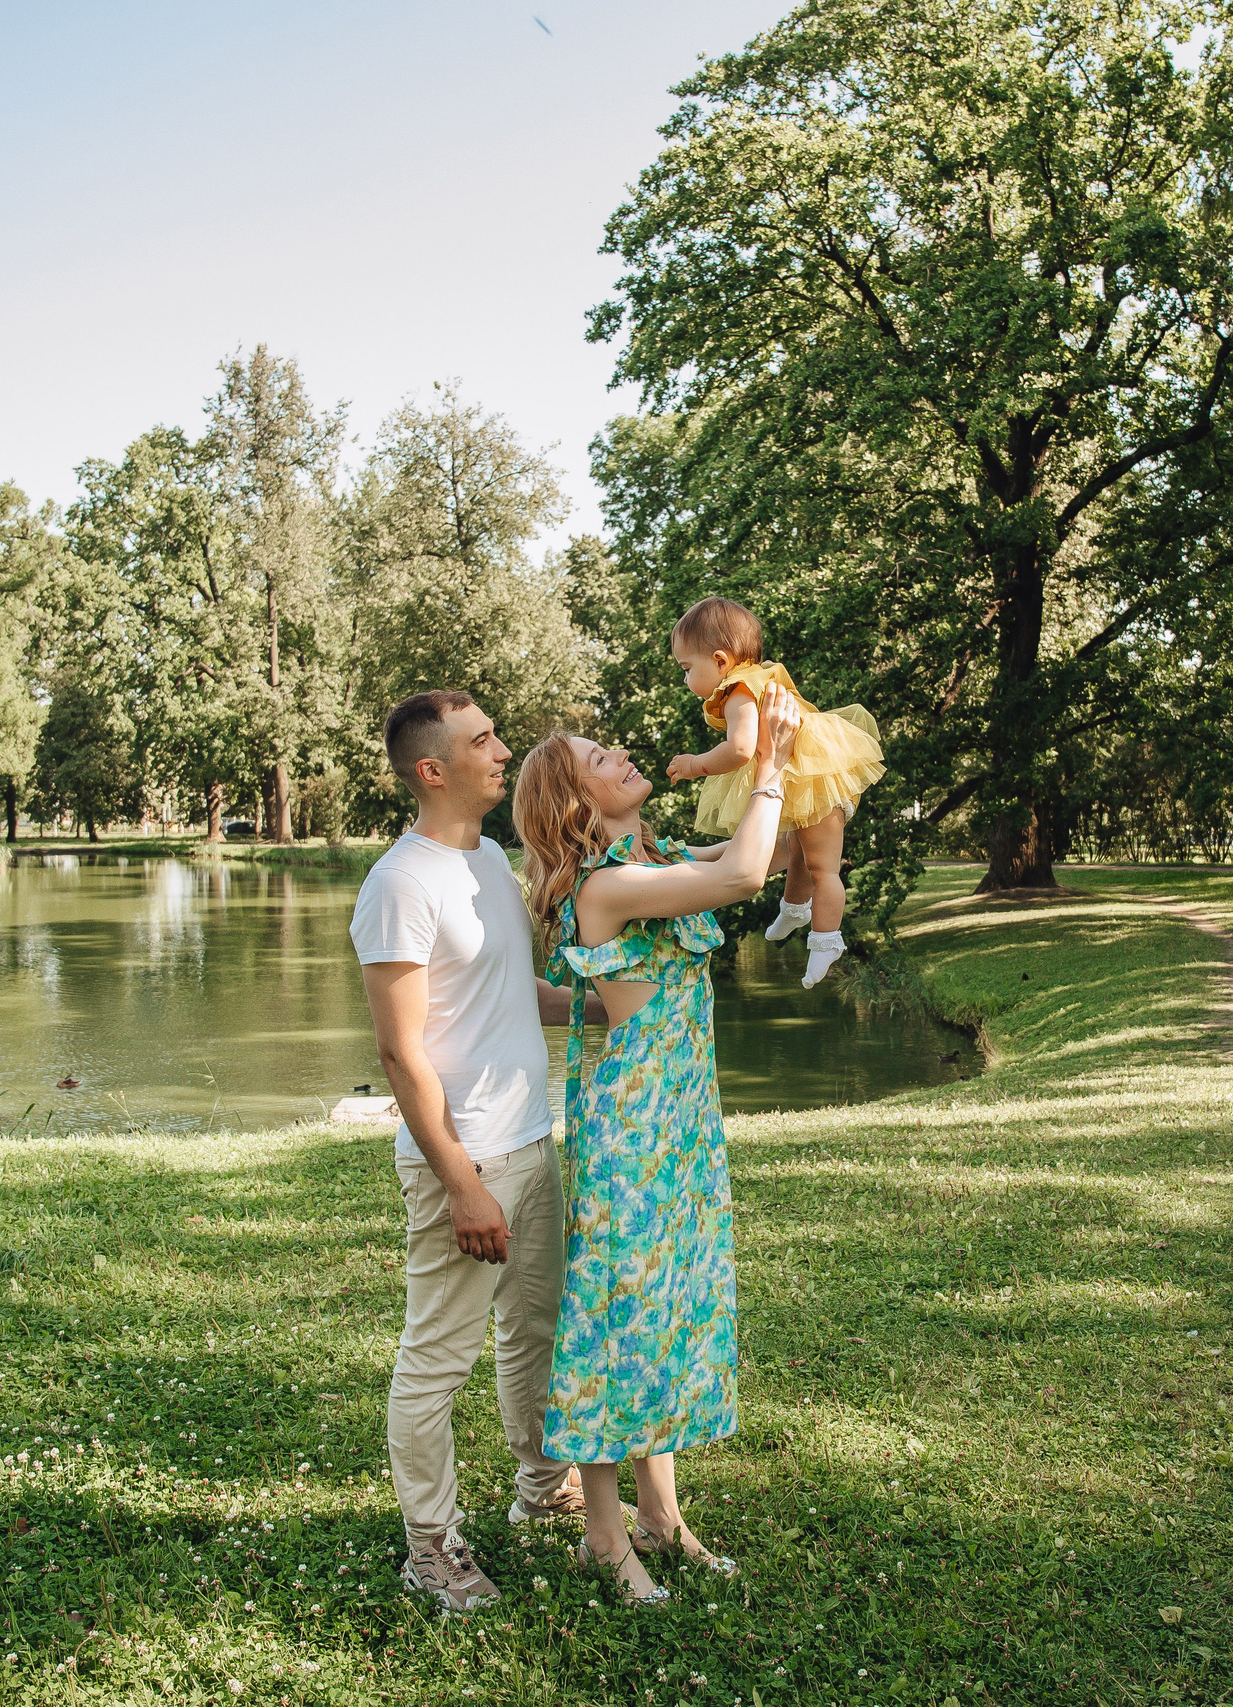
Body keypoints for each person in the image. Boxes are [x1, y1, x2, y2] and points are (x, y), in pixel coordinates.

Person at [511, 681, 805, 1605]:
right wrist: (770, 771)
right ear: (578, 804)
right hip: (632, 1123)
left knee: (667, 1310)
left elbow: (761, 850)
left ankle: (662, 1517)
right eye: (601, 760)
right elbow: (741, 878)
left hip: (680, 1116)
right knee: (615, 1319)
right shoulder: (608, 888)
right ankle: (604, 1538)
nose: (622, 755)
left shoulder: (658, 853)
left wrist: (795, 770)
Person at [352, 688, 611, 1613]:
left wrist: (602, 1011)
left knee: (534, 1333)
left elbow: (515, 992)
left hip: (531, 1145)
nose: (504, 750)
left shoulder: (493, 861)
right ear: (434, 770)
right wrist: (461, 1182)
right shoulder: (399, 884)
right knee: (436, 1357)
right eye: (483, 741)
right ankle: (431, 1548)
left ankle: (541, 1487)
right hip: (463, 1163)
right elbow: (400, 1051)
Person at [664, 595, 884, 987]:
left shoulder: (739, 691)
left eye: (686, 669)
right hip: (804, 775)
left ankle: (826, 941)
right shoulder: (755, 678)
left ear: (719, 660)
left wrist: (694, 764)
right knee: (797, 848)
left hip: (815, 777)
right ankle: (795, 908)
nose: (684, 681)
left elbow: (740, 749)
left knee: (823, 868)